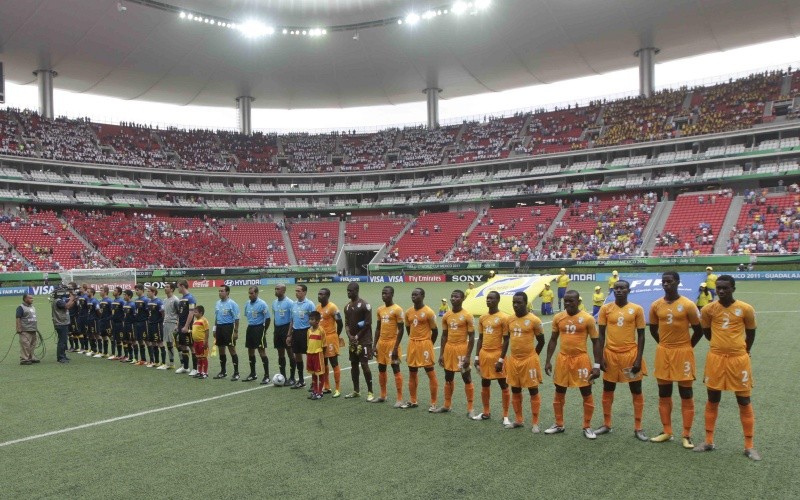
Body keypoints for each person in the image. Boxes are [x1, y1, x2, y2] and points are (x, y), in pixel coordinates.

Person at [693, 275, 760, 461]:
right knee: (712, 398)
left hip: (739, 360)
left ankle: (749, 446)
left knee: (744, 401)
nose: (721, 291)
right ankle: (708, 441)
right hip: (716, 359)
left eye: (725, 288)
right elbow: (706, 332)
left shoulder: (745, 309)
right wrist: (719, 345)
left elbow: (751, 332)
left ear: (733, 289)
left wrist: (745, 351)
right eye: (719, 288)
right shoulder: (708, 309)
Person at [648, 271, 704, 448]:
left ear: (678, 282)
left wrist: (687, 347)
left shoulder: (687, 304)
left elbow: (699, 330)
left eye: (669, 281)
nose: (666, 284)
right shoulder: (656, 305)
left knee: (685, 393)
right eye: (664, 282)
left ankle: (687, 434)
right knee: (664, 392)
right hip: (664, 352)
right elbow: (653, 329)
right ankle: (667, 431)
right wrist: (664, 344)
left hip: (683, 353)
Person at [544, 290, 602, 439]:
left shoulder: (587, 318)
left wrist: (596, 365)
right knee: (560, 389)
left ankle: (587, 426)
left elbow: (596, 342)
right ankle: (559, 424)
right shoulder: (558, 317)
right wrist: (547, 360)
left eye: (571, 301)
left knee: (586, 390)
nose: (568, 304)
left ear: (578, 302)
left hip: (581, 359)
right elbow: (553, 339)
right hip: (563, 359)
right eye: (566, 301)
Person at [595, 280, 648, 441]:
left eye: (622, 288)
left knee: (636, 389)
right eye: (616, 288)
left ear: (628, 290)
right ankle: (606, 424)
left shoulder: (637, 309)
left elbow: (641, 335)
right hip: (610, 355)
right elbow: (601, 335)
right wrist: (600, 357)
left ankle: (638, 427)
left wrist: (638, 359)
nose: (618, 291)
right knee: (608, 388)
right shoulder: (606, 309)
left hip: (630, 355)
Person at [497, 292, 545, 431]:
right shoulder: (509, 320)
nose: (516, 305)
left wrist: (533, 357)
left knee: (533, 390)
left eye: (519, 303)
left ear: (526, 303)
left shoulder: (534, 320)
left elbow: (541, 341)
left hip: (529, 360)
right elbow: (506, 340)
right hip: (514, 360)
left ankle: (535, 423)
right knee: (515, 389)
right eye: (514, 302)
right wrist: (501, 359)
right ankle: (519, 420)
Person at [433, 289, 476, 416]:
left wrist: (468, 356)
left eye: (456, 297)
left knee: (466, 377)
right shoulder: (447, 315)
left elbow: (472, 337)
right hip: (449, 349)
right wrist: (441, 354)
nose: (453, 299)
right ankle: (447, 405)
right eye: (452, 296)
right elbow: (444, 336)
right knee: (448, 377)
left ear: (462, 299)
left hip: (462, 349)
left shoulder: (467, 315)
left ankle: (470, 408)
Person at [472, 291, 512, 424]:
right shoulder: (483, 318)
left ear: (498, 300)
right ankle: (486, 412)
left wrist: (501, 359)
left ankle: (505, 415)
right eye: (487, 298)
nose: (489, 300)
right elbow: (480, 338)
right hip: (484, 354)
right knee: (485, 382)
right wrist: (477, 356)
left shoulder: (504, 318)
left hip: (497, 354)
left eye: (492, 298)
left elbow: (506, 340)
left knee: (503, 384)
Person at [401, 288, 439, 410]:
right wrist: (413, 340)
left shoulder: (428, 312)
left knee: (430, 373)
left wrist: (428, 344)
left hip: (425, 344)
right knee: (412, 372)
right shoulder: (408, 312)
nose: (413, 296)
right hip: (413, 344)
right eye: (412, 294)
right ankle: (413, 400)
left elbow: (435, 331)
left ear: (423, 296)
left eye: (416, 294)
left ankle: (433, 403)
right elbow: (408, 328)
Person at [373, 286, 405, 407]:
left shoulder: (397, 309)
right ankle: (382, 395)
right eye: (382, 293)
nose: (383, 295)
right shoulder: (380, 309)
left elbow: (401, 330)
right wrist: (374, 345)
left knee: (395, 368)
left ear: (392, 294)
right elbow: (377, 328)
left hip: (392, 343)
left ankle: (400, 398)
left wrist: (396, 347)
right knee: (381, 368)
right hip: (381, 343)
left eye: (386, 293)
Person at [343, 283, 375, 400]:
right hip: (353, 341)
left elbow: (367, 324)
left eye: (350, 291)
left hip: (364, 340)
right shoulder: (346, 307)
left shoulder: (365, 305)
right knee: (353, 365)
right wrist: (350, 335)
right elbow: (346, 324)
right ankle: (356, 390)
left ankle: (370, 392)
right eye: (347, 291)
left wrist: (356, 337)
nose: (348, 293)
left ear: (356, 291)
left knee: (364, 365)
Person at [287, 284, 315, 389]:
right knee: (297, 356)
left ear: (304, 292)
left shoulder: (309, 304)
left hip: (306, 332)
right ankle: (301, 380)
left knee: (310, 357)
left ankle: (313, 382)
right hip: (296, 332)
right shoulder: (293, 305)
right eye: (296, 291)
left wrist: (313, 334)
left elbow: (315, 321)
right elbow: (292, 321)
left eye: (299, 291)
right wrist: (289, 335)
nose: (296, 293)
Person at [317, 288, 343, 396]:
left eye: (322, 294)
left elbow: (340, 323)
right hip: (321, 338)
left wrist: (336, 335)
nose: (319, 296)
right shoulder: (317, 308)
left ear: (327, 296)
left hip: (331, 338)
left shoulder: (333, 307)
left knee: (334, 362)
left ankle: (337, 388)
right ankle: (327, 386)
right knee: (324, 362)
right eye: (319, 294)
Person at [243, 286, 271, 384]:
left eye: (252, 293)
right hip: (250, 328)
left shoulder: (262, 304)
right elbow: (247, 316)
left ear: (257, 293)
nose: (250, 295)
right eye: (249, 293)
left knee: (261, 352)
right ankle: (253, 374)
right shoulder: (247, 304)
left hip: (259, 329)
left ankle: (267, 376)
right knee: (250, 351)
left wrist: (264, 330)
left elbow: (268, 318)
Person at [214, 285, 241, 380]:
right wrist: (214, 329)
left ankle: (236, 372)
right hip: (219, 328)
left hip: (228, 328)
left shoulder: (232, 304)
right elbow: (216, 317)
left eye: (222, 291)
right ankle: (223, 371)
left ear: (227, 292)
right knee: (221, 349)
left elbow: (237, 319)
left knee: (232, 350)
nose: (220, 293)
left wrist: (236, 332)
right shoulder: (217, 303)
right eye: (219, 291)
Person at [272, 284, 295, 386]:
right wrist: (275, 330)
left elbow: (292, 319)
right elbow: (275, 317)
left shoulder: (290, 303)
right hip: (277, 330)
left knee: (290, 353)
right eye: (275, 289)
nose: (276, 291)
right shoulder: (274, 303)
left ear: (284, 290)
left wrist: (289, 334)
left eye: (278, 289)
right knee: (280, 353)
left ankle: (293, 377)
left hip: (287, 329)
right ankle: (283, 377)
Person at [176, 280, 198, 375]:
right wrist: (178, 325)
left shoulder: (190, 298)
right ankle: (185, 367)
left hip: (187, 326)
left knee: (191, 346)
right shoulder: (182, 298)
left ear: (182, 286)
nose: (177, 288)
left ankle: (195, 369)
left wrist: (186, 326)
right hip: (181, 325)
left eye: (178, 286)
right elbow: (180, 313)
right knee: (182, 345)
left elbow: (191, 312)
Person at [52, 288, 77, 363]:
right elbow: (67, 306)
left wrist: (73, 300)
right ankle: (61, 357)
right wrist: (72, 298)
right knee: (62, 341)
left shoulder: (58, 301)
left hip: (62, 323)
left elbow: (68, 307)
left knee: (63, 341)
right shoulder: (58, 301)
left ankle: (63, 355)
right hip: (61, 323)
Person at [306, 311, 326, 400]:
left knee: (320, 373)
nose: (310, 321)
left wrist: (322, 355)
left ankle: (320, 392)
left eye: (312, 319)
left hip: (318, 354)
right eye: (310, 319)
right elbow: (308, 342)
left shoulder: (321, 331)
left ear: (318, 321)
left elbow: (324, 345)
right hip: (310, 353)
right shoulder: (309, 331)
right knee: (313, 373)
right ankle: (315, 391)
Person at [159, 283, 179, 369]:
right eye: (165, 287)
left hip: (173, 323)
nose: (165, 288)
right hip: (166, 323)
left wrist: (177, 324)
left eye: (167, 287)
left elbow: (179, 313)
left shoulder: (175, 300)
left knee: (177, 344)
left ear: (172, 289)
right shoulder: (164, 300)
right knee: (168, 343)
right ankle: (171, 363)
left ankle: (182, 364)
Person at [16, 294, 39, 365]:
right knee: (25, 345)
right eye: (30, 298)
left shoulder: (32, 307)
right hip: (25, 330)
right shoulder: (20, 307)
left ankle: (31, 357)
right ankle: (24, 359)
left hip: (33, 329)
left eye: (32, 298)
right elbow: (18, 318)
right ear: (25, 299)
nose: (32, 299)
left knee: (32, 344)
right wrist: (18, 328)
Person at [145, 286, 165, 368]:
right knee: (153, 342)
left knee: (159, 342)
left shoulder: (159, 301)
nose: (147, 292)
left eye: (149, 291)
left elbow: (163, 312)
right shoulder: (149, 301)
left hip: (157, 325)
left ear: (153, 292)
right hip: (150, 324)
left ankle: (163, 363)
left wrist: (161, 321)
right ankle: (156, 362)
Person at [132, 284, 150, 366]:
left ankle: (152, 360)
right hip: (137, 323)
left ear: (142, 290)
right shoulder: (136, 300)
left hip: (144, 322)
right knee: (139, 340)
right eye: (135, 290)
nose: (136, 291)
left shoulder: (146, 300)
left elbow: (148, 312)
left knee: (146, 340)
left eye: (137, 290)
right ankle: (143, 359)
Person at [191, 306, 210, 379]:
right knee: (198, 358)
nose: (194, 314)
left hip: (202, 342)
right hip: (196, 342)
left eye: (196, 312)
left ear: (201, 313)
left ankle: (205, 373)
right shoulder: (195, 321)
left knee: (203, 357)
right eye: (194, 312)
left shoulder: (204, 320)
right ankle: (199, 372)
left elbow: (207, 331)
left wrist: (206, 341)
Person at [109, 286, 126, 360]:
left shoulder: (121, 301)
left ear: (119, 292)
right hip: (114, 322)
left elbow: (125, 311)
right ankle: (119, 355)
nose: (113, 291)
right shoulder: (113, 301)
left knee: (123, 339)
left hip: (120, 323)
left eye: (115, 290)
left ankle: (127, 355)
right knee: (117, 339)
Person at [97, 286, 113, 358]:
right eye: (100, 290)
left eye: (101, 290)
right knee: (103, 336)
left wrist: (108, 319)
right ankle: (105, 353)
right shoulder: (100, 301)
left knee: (111, 337)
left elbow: (112, 312)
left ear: (106, 292)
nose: (100, 291)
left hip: (108, 322)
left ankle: (113, 354)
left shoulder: (109, 301)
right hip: (102, 321)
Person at [122, 290, 137, 364]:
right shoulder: (125, 304)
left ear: (129, 296)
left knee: (133, 340)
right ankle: (130, 357)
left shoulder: (133, 304)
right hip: (125, 325)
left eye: (125, 295)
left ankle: (136, 358)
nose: (123, 296)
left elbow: (135, 316)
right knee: (127, 341)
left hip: (131, 325)